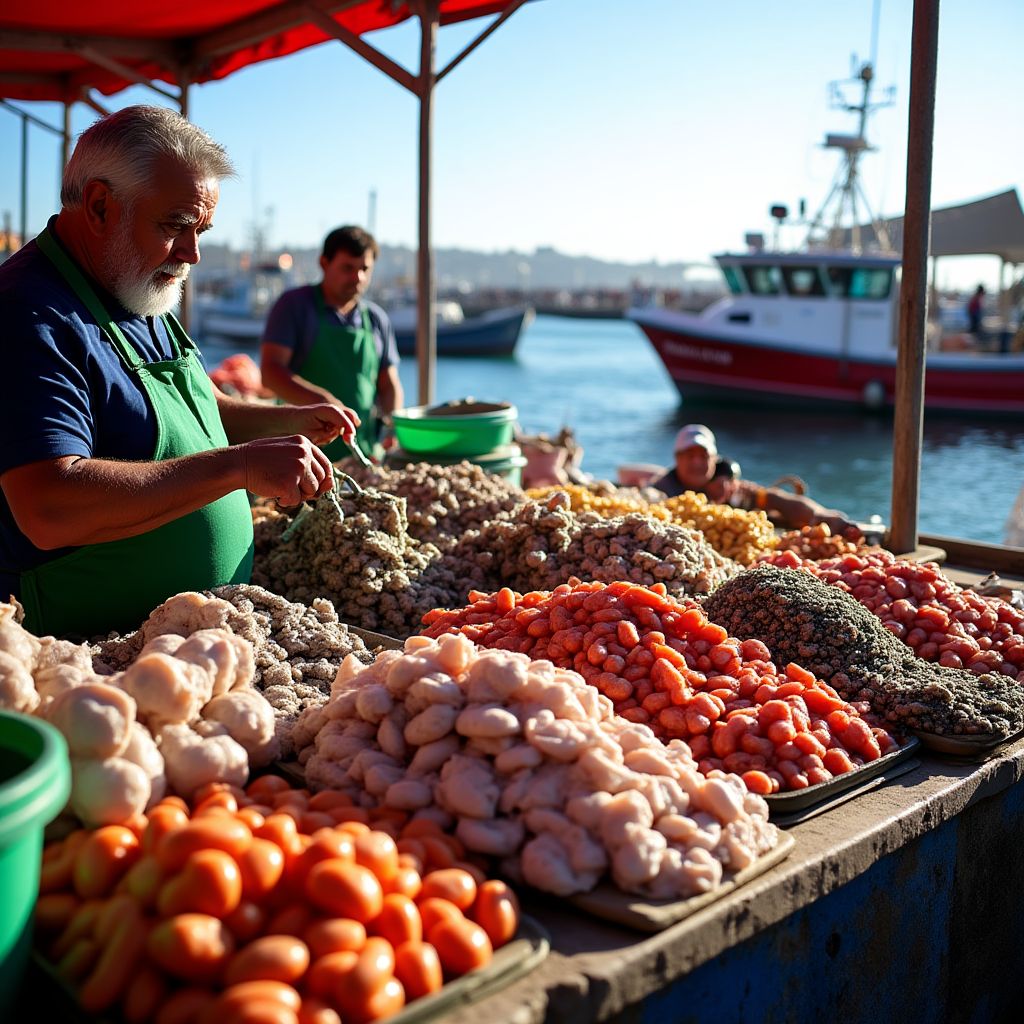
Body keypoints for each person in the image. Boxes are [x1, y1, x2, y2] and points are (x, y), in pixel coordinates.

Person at [0, 105, 357, 639]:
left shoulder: (137, 286)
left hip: (188, 645)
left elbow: (193, 412)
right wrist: (235, 469)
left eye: (202, 230)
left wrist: (287, 422)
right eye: (175, 225)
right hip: (85, 655)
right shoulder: (27, 313)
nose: (191, 252)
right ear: (99, 205)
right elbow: (50, 504)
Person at [260, 225, 403, 459]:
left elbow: (389, 385)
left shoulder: (376, 319)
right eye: (348, 268)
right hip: (301, 454)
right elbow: (271, 372)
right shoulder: (294, 306)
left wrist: (391, 425)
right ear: (324, 263)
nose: (358, 277)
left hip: (362, 453)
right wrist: (323, 404)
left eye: (365, 269)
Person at [653, 424, 858, 534]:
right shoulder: (660, 491)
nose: (697, 463)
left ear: (715, 460)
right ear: (677, 459)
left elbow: (774, 499)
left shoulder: (731, 488)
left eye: (704, 456)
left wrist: (818, 515)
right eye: (690, 456)